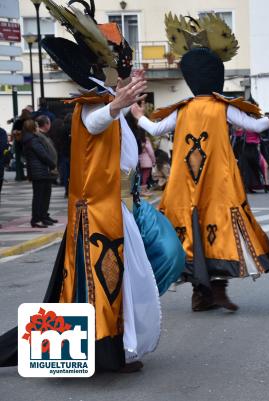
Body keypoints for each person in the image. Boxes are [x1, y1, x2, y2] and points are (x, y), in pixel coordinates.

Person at [1, 1, 184, 373]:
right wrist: (117, 104)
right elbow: (95, 121)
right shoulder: (91, 103)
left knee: (118, 281)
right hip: (100, 212)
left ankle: (111, 348)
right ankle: (105, 353)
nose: (113, 63)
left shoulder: (103, 95)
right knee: (101, 283)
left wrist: (120, 101)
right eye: (107, 59)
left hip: (117, 208)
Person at [131, 12, 269, 312]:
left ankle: (201, 294)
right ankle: (215, 290)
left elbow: (154, 129)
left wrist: (137, 114)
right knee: (219, 228)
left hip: (184, 184)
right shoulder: (223, 107)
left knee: (190, 231)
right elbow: (259, 126)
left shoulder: (182, 109)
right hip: (219, 181)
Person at [21, 119, 56, 228]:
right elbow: (43, 155)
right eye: (35, 126)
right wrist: (52, 164)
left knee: (41, 196)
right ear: (32, 128)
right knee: (41, 196)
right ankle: (37, 219)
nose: (37, 127)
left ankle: (42, 216)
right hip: (40, 171)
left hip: (38, 171)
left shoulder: (28, 139)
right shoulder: (33, 140)